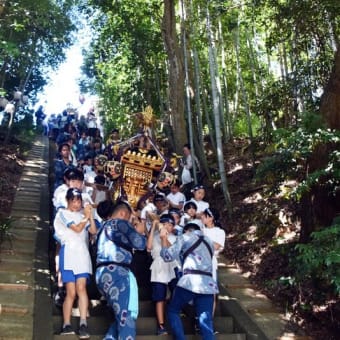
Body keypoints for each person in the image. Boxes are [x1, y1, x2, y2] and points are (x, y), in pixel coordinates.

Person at [95, 200, 147, 340]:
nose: (131, 222)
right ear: (123, 213)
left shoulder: (102, 228)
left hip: (102, 274)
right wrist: (140, 232)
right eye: (130, 218)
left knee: (120, 317)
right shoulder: (120, 223)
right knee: (127, 315)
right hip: (118, 273)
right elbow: (141, 244)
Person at [160, 222, 219, 340]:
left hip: (189, 282)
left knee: (173, 310)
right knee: (206, 322)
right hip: (208, 284)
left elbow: (167, 256)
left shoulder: (185, 237)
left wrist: (163, 239)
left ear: (187, 230)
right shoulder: (209, 242)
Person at [53, 188, 97, 338]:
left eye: (79, 201)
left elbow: (93, 231)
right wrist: (86, 216)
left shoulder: (82, 215)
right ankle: (66, 324)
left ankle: (83, 323)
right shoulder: (62, 214)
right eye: (74, 201)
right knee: (71, 292)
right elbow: (77, 229)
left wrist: (89, 216)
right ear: (68, 201)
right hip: (69, 254)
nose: (77, 204)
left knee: (81, 288)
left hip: (83, 255)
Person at [147, 214, 179, 335]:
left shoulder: (175, 238)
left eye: (170, 225)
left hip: (171, 266)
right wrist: (154, 226)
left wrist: (164, 238)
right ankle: (161, 325)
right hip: (158, 268)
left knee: (175, 295)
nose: (167, 227)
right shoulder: (154, 236)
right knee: (159, 297)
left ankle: (174, 320)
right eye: (165, 224)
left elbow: (171, 251)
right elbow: (149, 247)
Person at [201, 207, 226, 315]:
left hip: (210, 262)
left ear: (211, 218)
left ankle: (209, 319)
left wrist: (204, 236)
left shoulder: (219, 231)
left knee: (211, 292)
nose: (201, 217)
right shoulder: (200, 229)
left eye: (204, 215)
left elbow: (216, 246)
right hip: (197, 262)